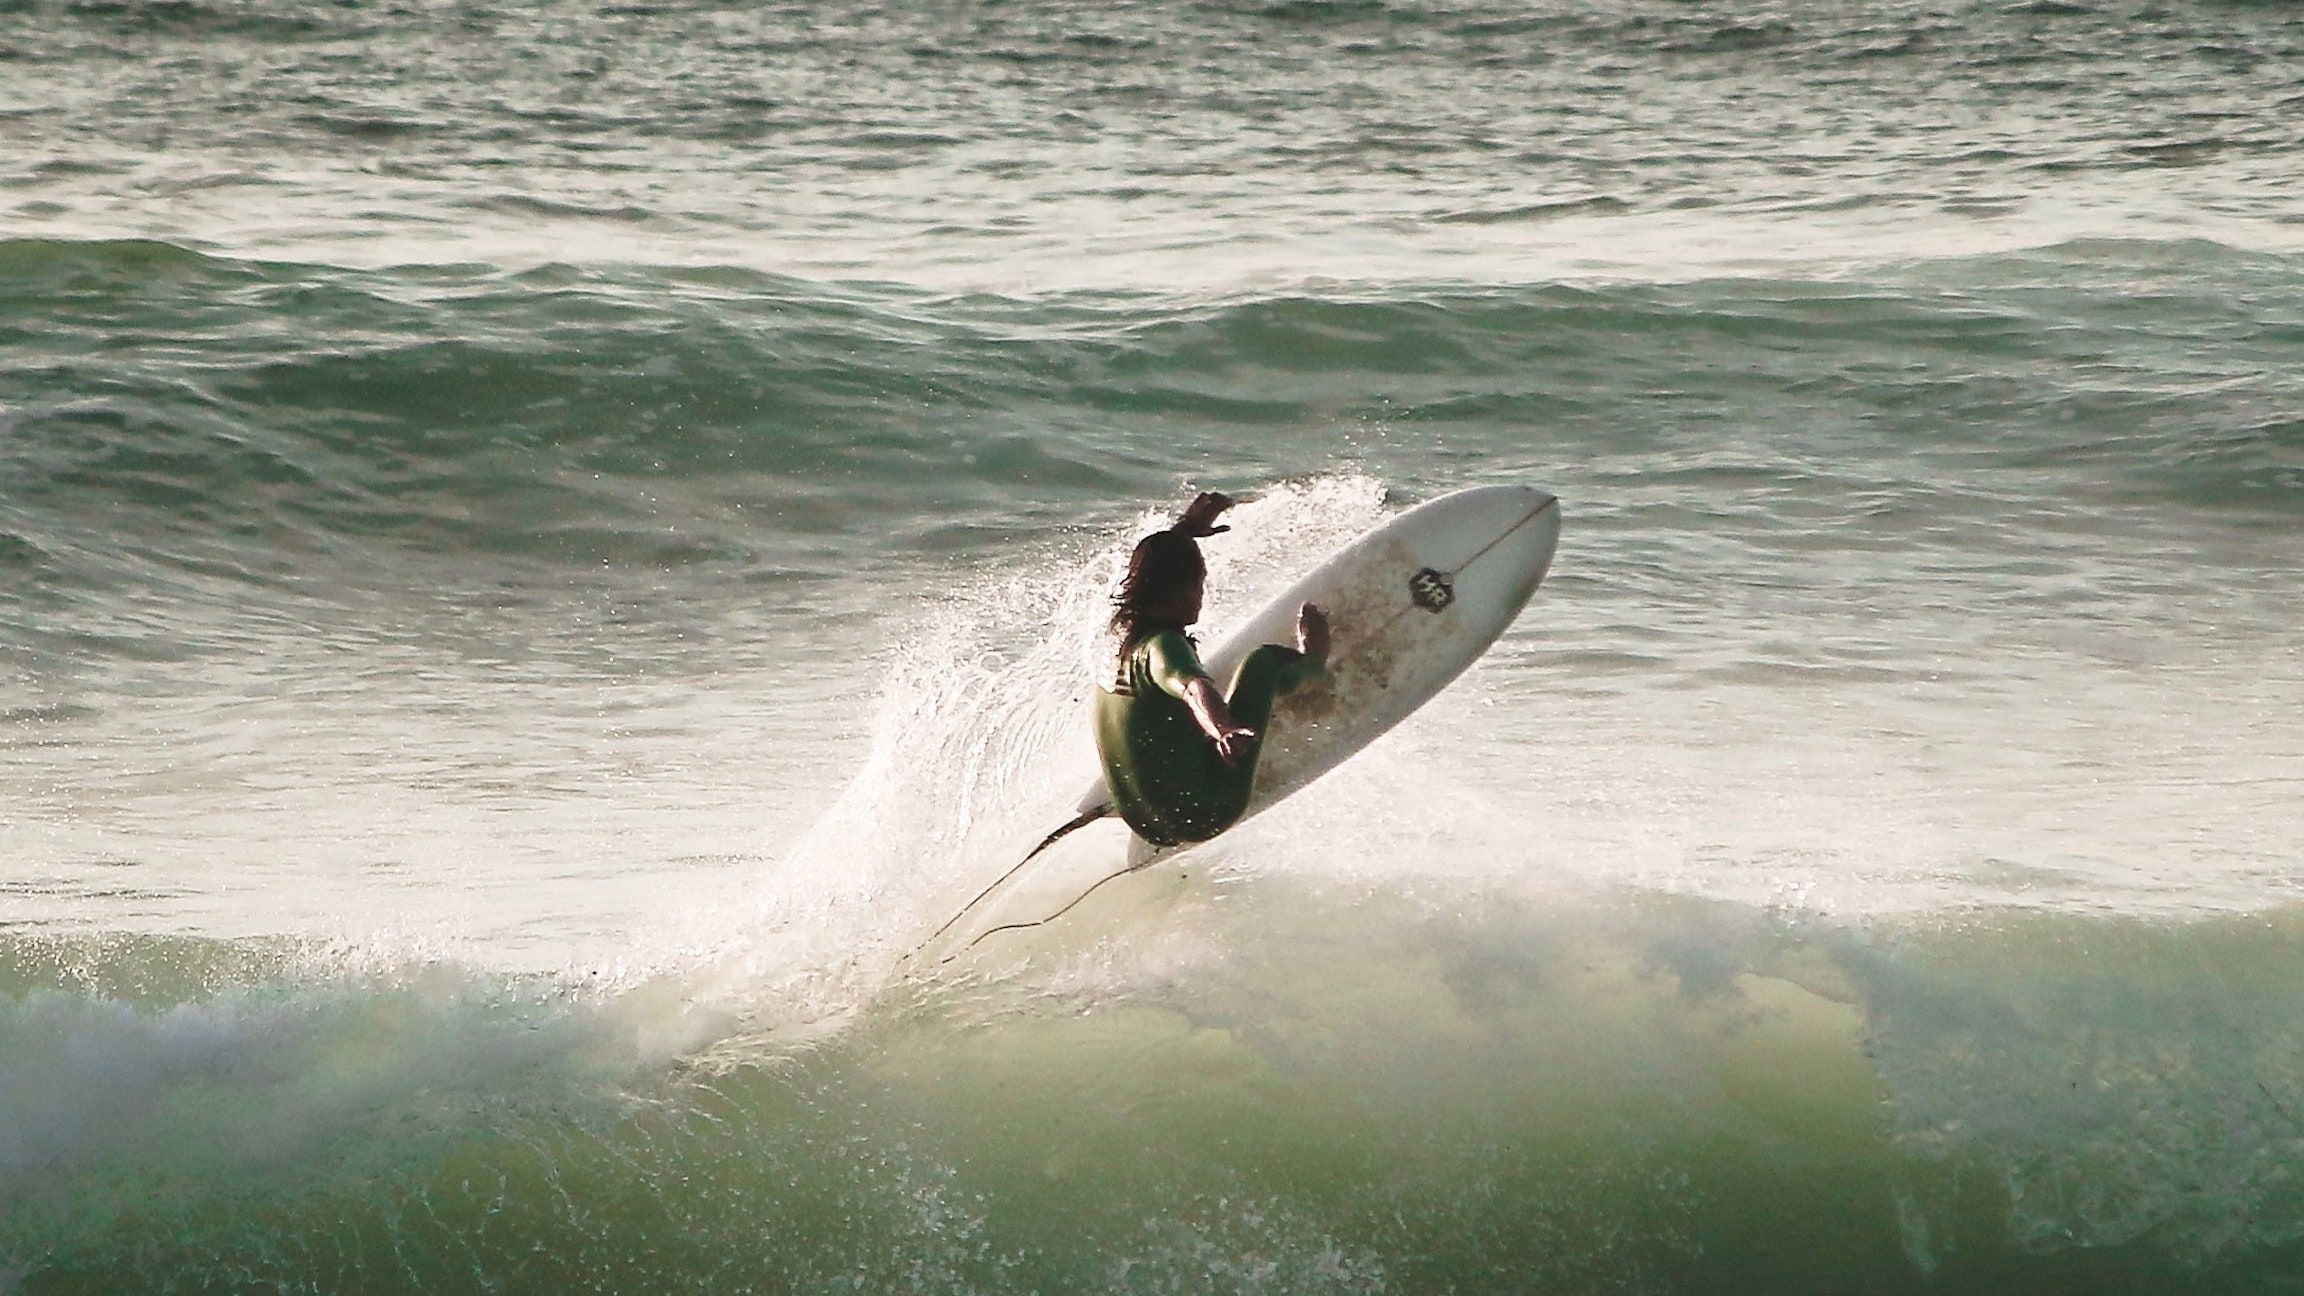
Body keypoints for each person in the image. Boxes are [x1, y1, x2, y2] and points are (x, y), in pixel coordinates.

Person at [1094, 491, 1329, 847]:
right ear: (1180, 588)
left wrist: (1186, 529)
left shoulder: (1116, 637)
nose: (1202, 594)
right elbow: (1192, 688)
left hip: (1143, 824)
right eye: (1200, 582)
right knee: (1262, 664)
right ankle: (1313, 666)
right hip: (1205, 813)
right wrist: (1223, 729)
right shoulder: (1163, 647)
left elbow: (1157, 563)